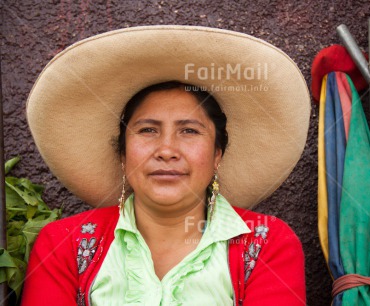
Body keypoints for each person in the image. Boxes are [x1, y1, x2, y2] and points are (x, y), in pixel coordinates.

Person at [21, 25, 311, 305]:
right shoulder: (63, 246)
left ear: (217, 155)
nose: (167, 150)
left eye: (189, 131)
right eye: (147, 130)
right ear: (122, 155)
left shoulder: (267, 244)